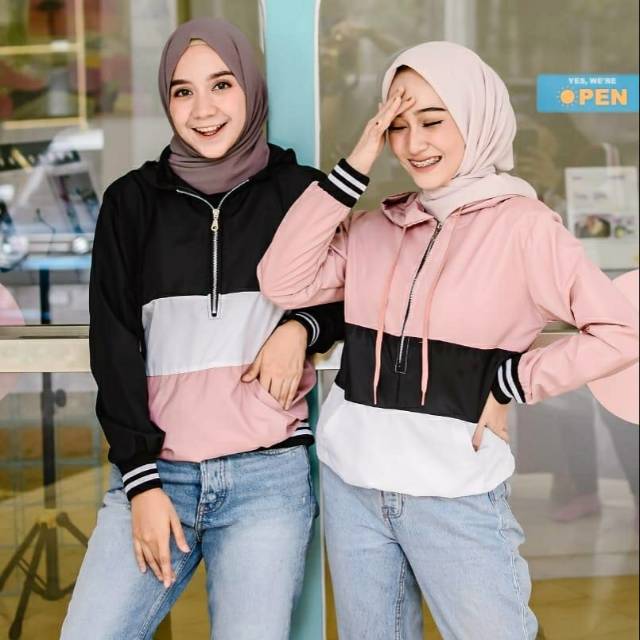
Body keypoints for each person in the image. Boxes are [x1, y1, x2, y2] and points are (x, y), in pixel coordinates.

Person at [258, 41, 639, 639]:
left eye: (433, 121)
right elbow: (281, 280)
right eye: (397, 126)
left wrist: (514, 381)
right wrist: (354, 164)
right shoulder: (375, 227)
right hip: (353, 486)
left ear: (475, 116)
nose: (414, 143)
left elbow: (621, 330)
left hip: (455, 492)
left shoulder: (525, 229)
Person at [61, 18, 342, 640]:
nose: (203, 109)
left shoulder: (301, 193)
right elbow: (113, 343)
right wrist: (141, 482)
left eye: (221, 84)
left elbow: (356, 291)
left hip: (266, 482)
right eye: (183, 91)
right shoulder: (131, 202)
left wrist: (301, 326)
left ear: (250, 89)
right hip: (158, 474)